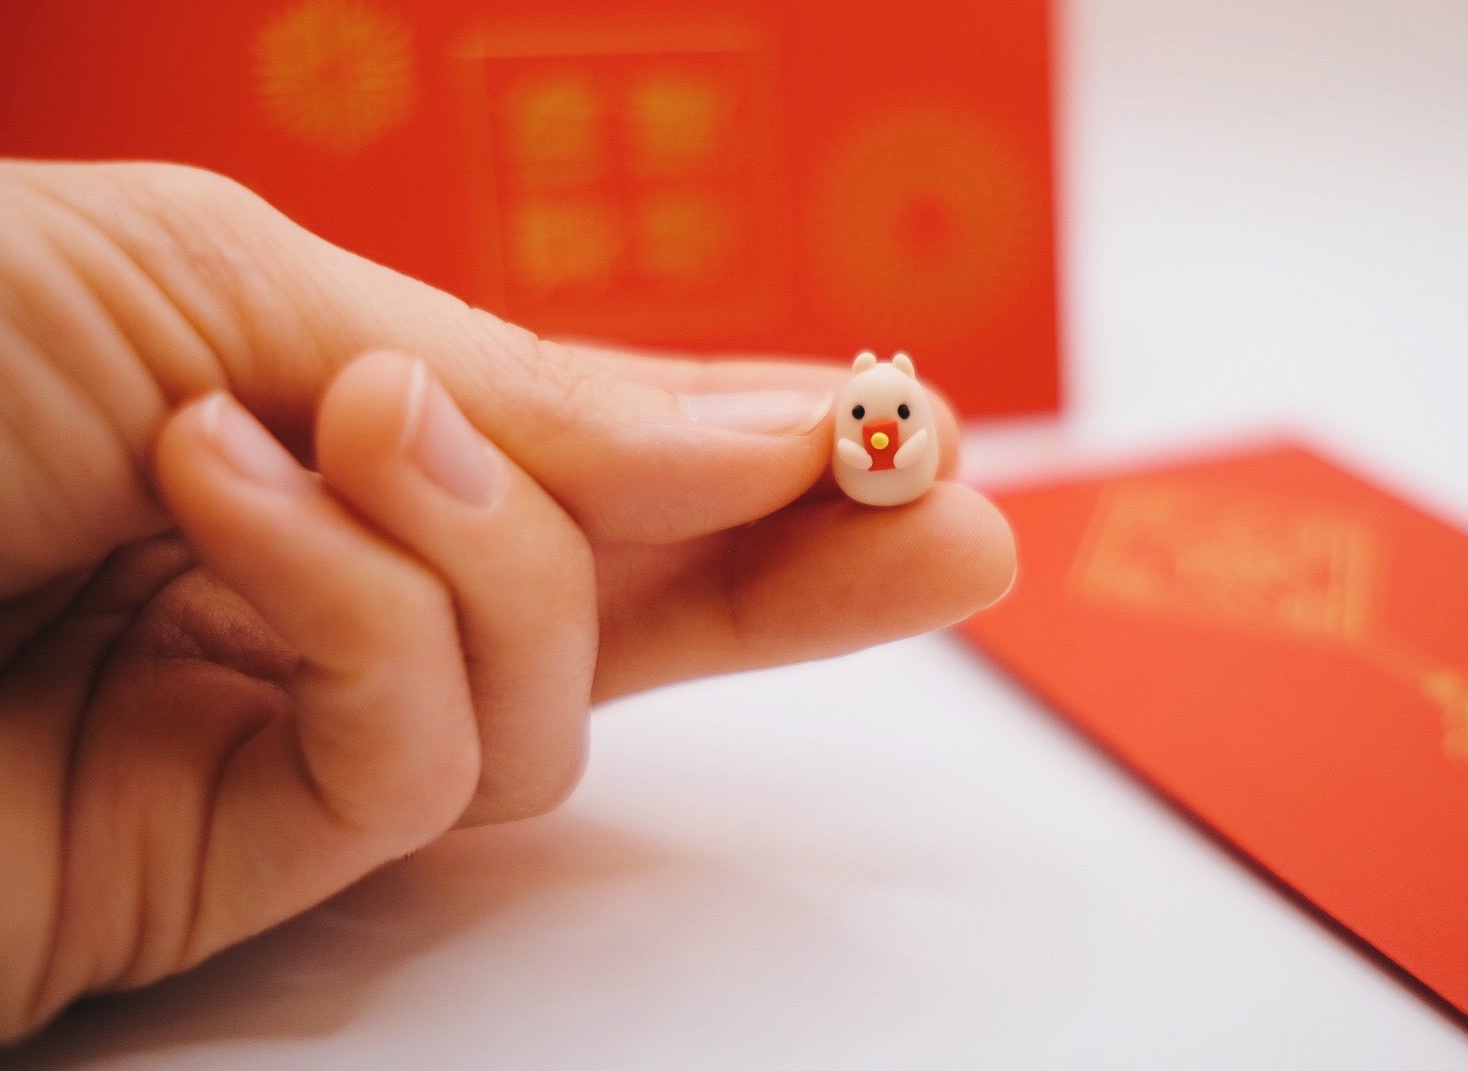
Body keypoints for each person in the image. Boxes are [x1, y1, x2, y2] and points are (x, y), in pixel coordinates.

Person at [0, 160, 1016, 1042]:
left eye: (888, 415)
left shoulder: (890, 434)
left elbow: (902, 453)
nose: (883, 426)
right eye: (877, 414)